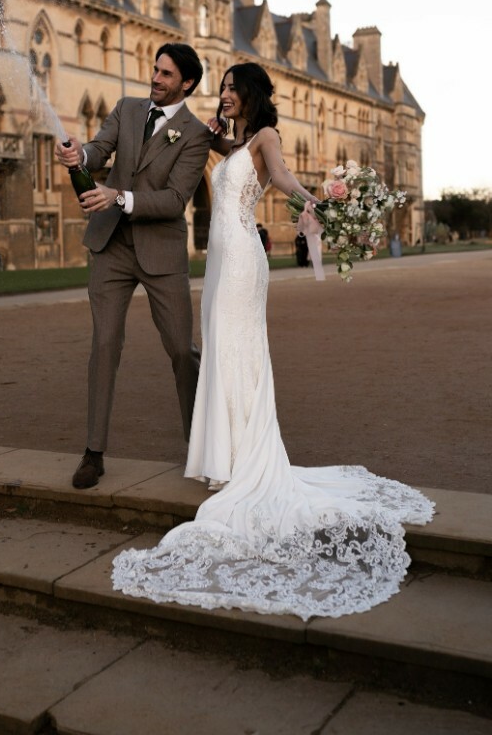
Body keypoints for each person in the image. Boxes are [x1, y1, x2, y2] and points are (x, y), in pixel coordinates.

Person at [112, 62, 434, 620]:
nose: (227, 95)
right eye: (224, 88)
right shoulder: (226, 142)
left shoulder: (265, 137)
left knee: (238, 351)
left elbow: (281, 178)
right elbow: (190, 138)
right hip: (219, 261)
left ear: (253, 95)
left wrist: (318, 200)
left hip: (242, 257)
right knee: (220, 349)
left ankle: (243, 461)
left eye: (234, 88)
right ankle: (226, 457)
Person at [55, 43, 213, 489]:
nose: (156, 79)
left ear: (187, 84)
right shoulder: (126, 109)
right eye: (155, 70)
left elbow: (176, 200)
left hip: (161, 254)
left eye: (166, 75)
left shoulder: (196, 134)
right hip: (111, 247)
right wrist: (78, 155)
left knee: (182, 350)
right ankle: (93, 452)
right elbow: (99, 149)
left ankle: (199, 448)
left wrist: (119, 197)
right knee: (104, 344)